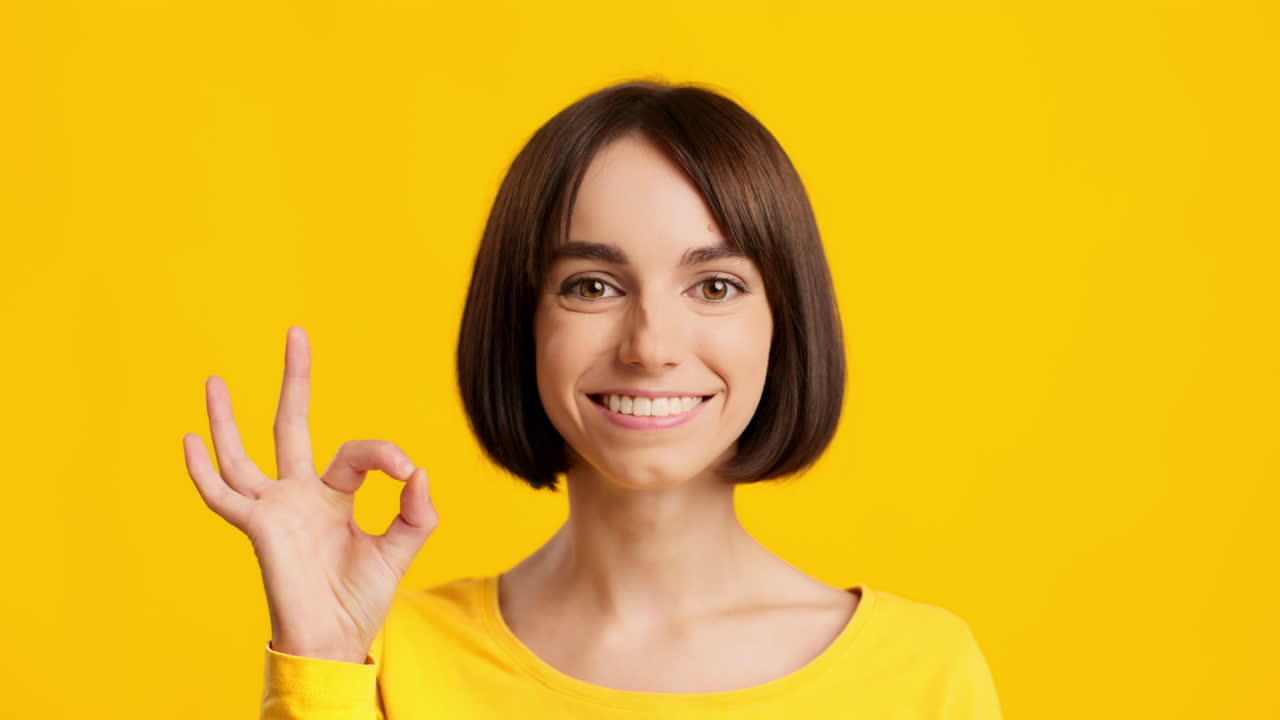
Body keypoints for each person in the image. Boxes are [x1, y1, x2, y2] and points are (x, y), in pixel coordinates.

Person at [182, 78, 1003, 718]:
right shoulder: (385, 660)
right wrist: (321, 666)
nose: (650, 345)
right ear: (522, 321)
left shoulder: (925, 674)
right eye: (592, 286)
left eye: (714, 284)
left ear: (784, 325)